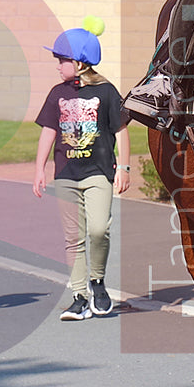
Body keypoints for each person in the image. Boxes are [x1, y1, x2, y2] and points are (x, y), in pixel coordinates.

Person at [31, 19, 131, 321]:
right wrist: (39, 169)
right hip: (66, 175)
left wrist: (124, 167)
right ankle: (78, 296)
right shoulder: (57, 93)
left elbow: (122, 130)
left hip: (98, 172)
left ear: (79, 62)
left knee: (99, 229)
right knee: (73, 238)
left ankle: (97, 282)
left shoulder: (107, 92)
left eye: (62, 60)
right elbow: (48, 131)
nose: (58, 66)